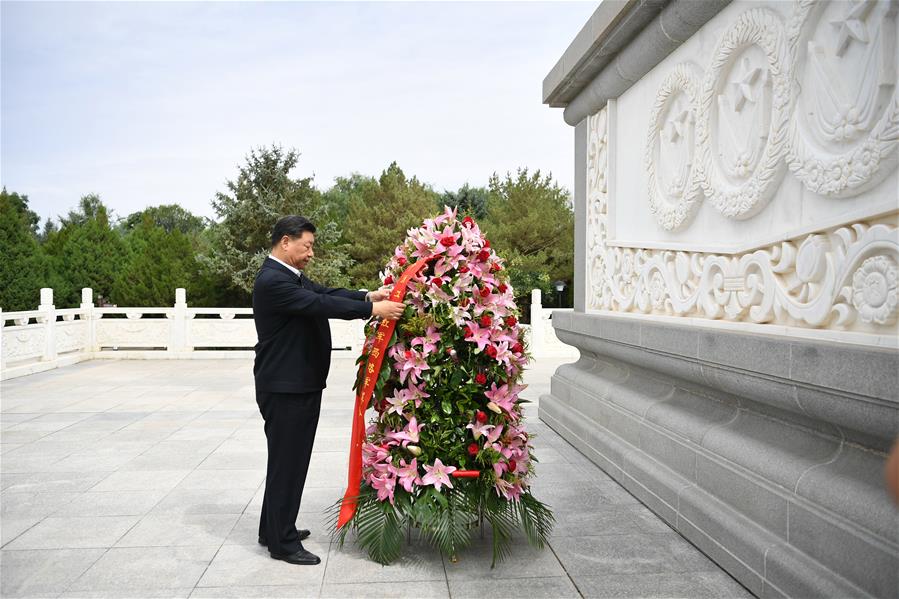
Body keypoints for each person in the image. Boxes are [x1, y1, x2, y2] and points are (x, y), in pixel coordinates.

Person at [252, 215, 404, 565]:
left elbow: (324, 293)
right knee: (288, 462)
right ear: (285, 241)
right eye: (307, 246)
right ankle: (283, 543)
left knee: (285, 461)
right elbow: (320, 305)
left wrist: (367, 295)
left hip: (294, 384)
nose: (311, 253)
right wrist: (372, 310)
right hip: (287, 387)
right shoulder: (273, 280)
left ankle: (272, 528)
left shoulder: (289, 276)